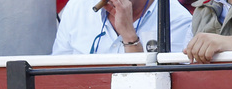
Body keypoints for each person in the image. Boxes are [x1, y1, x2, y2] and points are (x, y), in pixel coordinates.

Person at [53, 0, 194, 55]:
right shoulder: (77, 6)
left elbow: (157, 88)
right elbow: (56, 70)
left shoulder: (177, 19)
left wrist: (129, 35)